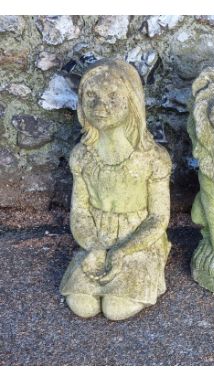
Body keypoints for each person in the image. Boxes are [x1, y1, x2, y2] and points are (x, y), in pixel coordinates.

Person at [60, 59, 172, 321]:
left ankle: (147, 267)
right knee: (82, 305)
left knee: (116, 308)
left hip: (136, 241)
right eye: (92, 96)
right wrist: (94, 247)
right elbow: (80, 212)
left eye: (113, 96)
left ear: (131, 100)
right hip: (96, 238)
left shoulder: (152, 158)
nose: (101, 107)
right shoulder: (83, 157)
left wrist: (122, 251)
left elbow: (158, 217)